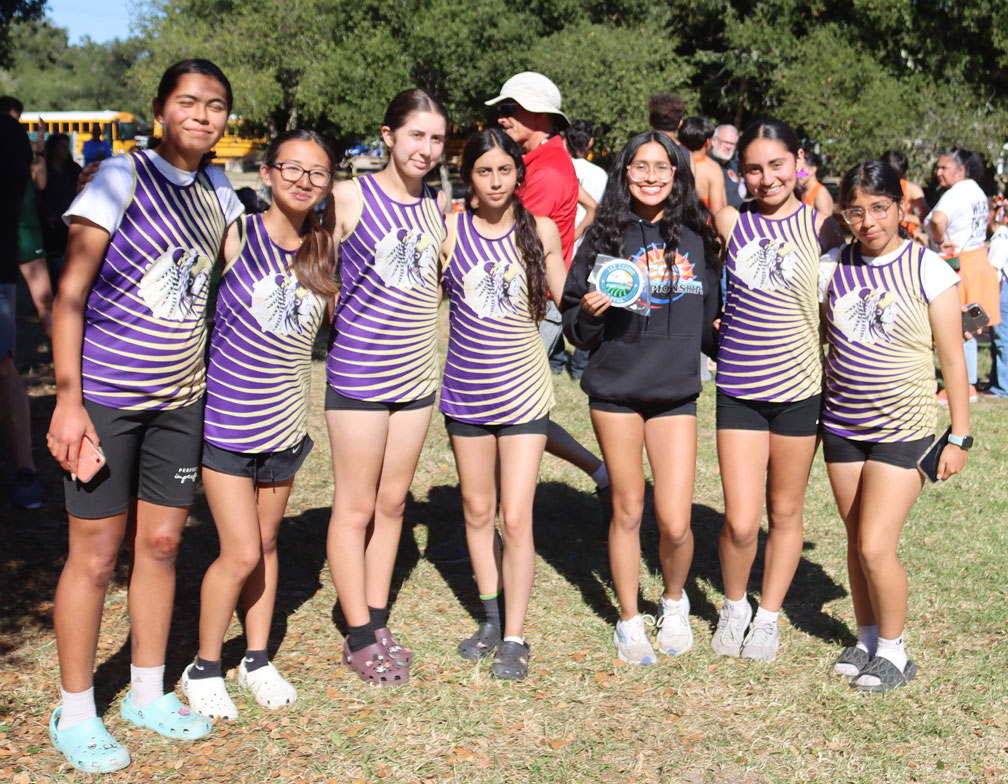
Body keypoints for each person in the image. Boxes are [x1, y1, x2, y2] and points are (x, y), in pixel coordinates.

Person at [45, 60, 243, 772]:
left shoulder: (221, 188)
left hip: (181, 402)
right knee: (95, 558)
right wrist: (68, 400)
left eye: (216, 105)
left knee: (161, 546)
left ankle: (147, 692)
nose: (202, 114)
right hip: (105, 401)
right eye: (188, 101)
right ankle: (73, 711)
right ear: (160, 108)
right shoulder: (120, 178)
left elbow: (246, 270)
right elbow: (70, 294)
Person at [182, 130, 337, 718]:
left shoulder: (325, 250)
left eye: (316, 172)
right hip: (226, 422)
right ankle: (204, 667)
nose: (302, 179)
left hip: (285, 426)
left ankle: (255, 657)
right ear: (268, 173)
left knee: (268, 544)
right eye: (291, 168)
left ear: (327, 185)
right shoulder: (236, 233)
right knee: (241, 550)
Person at [562, 132, 721, 664]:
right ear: (624, 173)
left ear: (678, 174)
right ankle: (629, 620)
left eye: (663, 167)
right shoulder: (602, 236)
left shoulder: (697, 241)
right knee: (628, 510)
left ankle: (673, 603)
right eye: (640, 166)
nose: (652, 176)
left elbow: (711, 330)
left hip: (674, 394)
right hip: (616, 393)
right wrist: (589, 311)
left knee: (676, 520)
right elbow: (576, 334)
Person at [821, 160, 969, 691]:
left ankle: (895, 651)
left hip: (903, 430)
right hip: (840, 425)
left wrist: (959, 434)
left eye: (879, 209)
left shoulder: (928, 268)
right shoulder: (832, 266)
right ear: (844, 215)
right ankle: (866, 638)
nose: (869, 222)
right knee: (854, 538)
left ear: (900, 208)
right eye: (856, 211)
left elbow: (953, 359)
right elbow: (821, 338)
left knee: (876, 545)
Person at [325, 88, 449, 685]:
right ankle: (356, 634)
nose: (425, 149)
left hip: (417, 377)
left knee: (393, 503)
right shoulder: (349, 197)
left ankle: (376, 617)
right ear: (388, 136)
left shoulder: (439, 204)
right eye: (416, 135)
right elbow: (315, 278)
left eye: (436, 138)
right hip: (358, 376)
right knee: (354, 506)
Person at [711, 118, 839, 662]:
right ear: (742, 174)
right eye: (755, 169)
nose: (767, 179)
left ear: (798, 162)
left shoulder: (822, 227)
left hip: (800, 390)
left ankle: (767, 617)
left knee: (785, 512)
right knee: (741, 519)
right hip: (739, 387)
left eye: (778, 165)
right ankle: (735, 604)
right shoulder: (729, 222)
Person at [441, 128, 567, 679]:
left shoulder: (536, 230)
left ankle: (515, 634)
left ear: (519, 173)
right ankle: (489, 617)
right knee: (475, 511)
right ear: (469, 176)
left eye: (505, 171)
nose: (495, 182)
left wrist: (604, 298)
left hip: (523, 394)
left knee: (515, 517)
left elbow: (568, 296)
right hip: (464, 394)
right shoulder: (448, 232)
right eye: (483, 171)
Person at [483, 73, 609, 494]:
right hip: (527, 299)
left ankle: (501, 511)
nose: (502, 118)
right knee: (509, 409)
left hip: (533, 303)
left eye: (510, 109)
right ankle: (597, 471)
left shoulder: (548, 171)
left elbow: (510, 237)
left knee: (512, 410)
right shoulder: (539, 162)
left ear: (540, 114)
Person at [925, 147, 998, 404]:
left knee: (956, 326)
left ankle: (963, 387)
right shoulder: (976, 190)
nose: (939, 172)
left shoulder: (955, 194)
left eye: (944, 168)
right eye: (939, 167)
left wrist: (938, 238)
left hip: (959, 264)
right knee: (969, 328)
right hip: (977, 259)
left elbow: (938, 219)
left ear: (961, 169)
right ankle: (970, 385)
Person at [0, 94, 42, 509]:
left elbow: (23, 191)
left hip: (3, 264)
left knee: (4, 365)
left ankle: (25, 468)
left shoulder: (9, 133)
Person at [565, 119, 608, 379]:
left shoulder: (559, 168)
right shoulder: (600, 175)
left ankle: (557, 358)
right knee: (590, 303)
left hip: (558, 243)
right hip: (586, 246)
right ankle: (580, 363)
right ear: (590, 142)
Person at [38, 132, 83, 268]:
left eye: (66, 145)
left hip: (70, 219)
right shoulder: (44, 169)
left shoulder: (74, 169)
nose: (65, 149)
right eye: (61, 146)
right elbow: (39, 194)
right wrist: (47, 215)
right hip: (50, 224)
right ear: (53, 148)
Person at [983, 194, 1008, 398]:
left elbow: (993, 269)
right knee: (997, 338)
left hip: (1002, 289)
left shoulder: (1001, 238)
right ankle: (995, 381)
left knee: (1002, 338)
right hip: (1001, 288)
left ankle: (1003, 386)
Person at [678, 116, 727, 213]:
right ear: (707, 142)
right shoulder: (712, 169)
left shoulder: (673, 162)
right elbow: (718, 211)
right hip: (702, 224)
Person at [880, 149, 929, 244]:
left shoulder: (912, 189)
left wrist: (905, 218)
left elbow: (929, 220)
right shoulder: (875, 188)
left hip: (901, 240)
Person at [711, 124, 745, 208]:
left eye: (732, 144)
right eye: (725, 142)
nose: (728, 147)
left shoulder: (734, 166)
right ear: (714, 141)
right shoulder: (706, 165)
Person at [798, 149, 835, 217]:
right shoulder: (802, 191)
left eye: (801, 170)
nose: (798, 174)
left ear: (813, 170)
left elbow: (826, 225)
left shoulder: (820, 194)